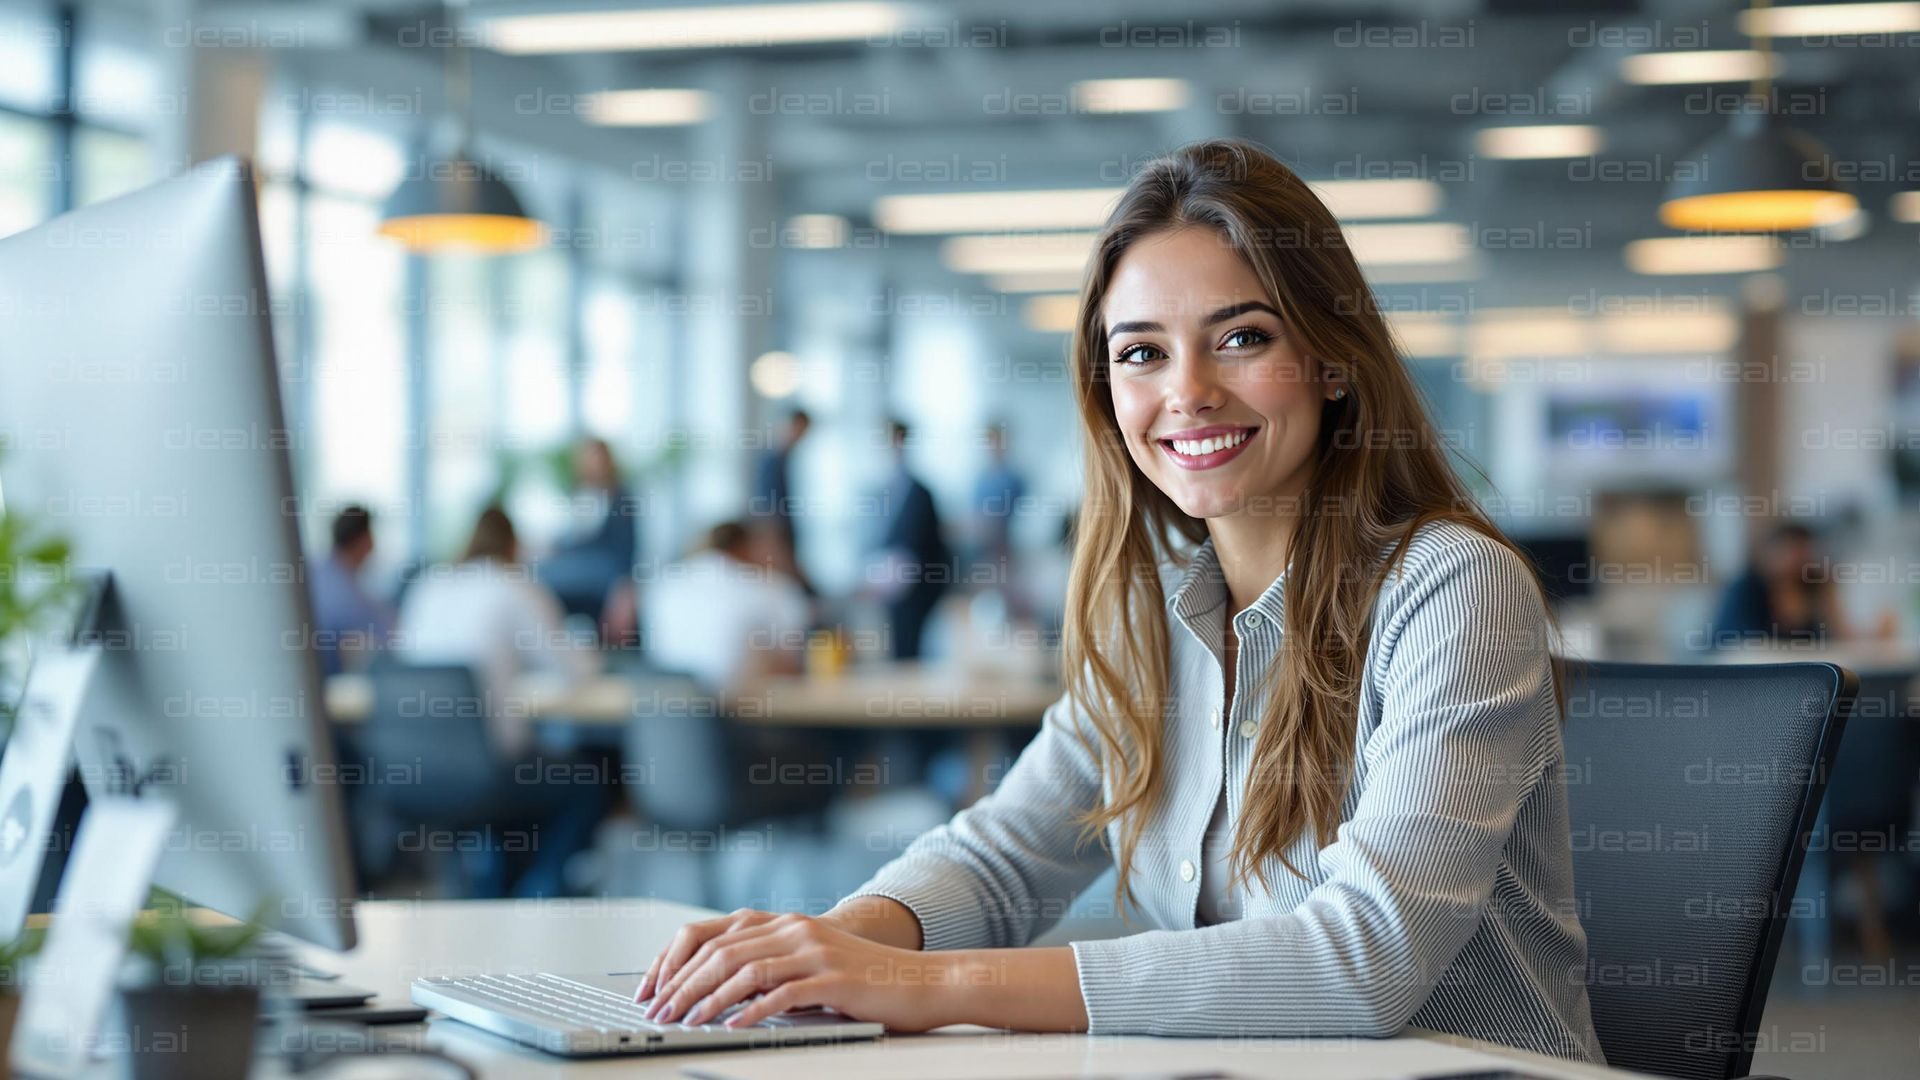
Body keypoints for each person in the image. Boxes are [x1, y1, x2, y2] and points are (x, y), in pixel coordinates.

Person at [631, 140, 1603, 1064]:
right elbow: (1006, 855)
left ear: (1332, 360)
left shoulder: (1452, 588)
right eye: (1141, 352)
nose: (1188, 391)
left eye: (1242, 337)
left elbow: (1367, 959)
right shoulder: (1150, 611)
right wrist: (833, 949)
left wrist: (934, 985)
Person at [395, 505, 599, 760]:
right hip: (493, 767)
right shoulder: (515, 587)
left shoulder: (426, 588)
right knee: (591, 778)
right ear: (513, 546)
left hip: (417, 765)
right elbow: (574, 669)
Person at [642, 521, 810, 698]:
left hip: (664, 717)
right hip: (744, 715)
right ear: (748, 548)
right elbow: (794, 664)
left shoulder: (662, 586)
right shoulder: (768, 587)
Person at [1709, 521, 1890, 647]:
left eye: (1805, 553)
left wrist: (1871, 636)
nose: (1797, 561)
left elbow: (1839, 636)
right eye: (1790, 551)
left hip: (1797, 678)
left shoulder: (1813, 585)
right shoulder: (1746, 588)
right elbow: (1741, 643)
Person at [870, 419, 952, 660]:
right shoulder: (884, 489)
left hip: (918, 589)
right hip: (891, 586)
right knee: (896, 648)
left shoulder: (920, 492)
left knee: (910, 649)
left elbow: (931, 544)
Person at [540, 436, 640, 621]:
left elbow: (627, 549)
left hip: (602, 569)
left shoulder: (620, 498)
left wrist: (625, 588)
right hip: (578, 565)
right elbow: (573, 535)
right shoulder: (581, 494)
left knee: (541, 576)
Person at [307, 504, 396, 677]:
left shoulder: (316, 572)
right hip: (336, 683)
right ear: (366, 540)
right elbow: (389, 636)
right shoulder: (347, 596)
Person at [750, 408, 811, 587]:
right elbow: (768, 509)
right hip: (777, 536)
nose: (802, 437)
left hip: (783, 534)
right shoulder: (772, 461)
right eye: (801, 430)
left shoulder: (785, 459)